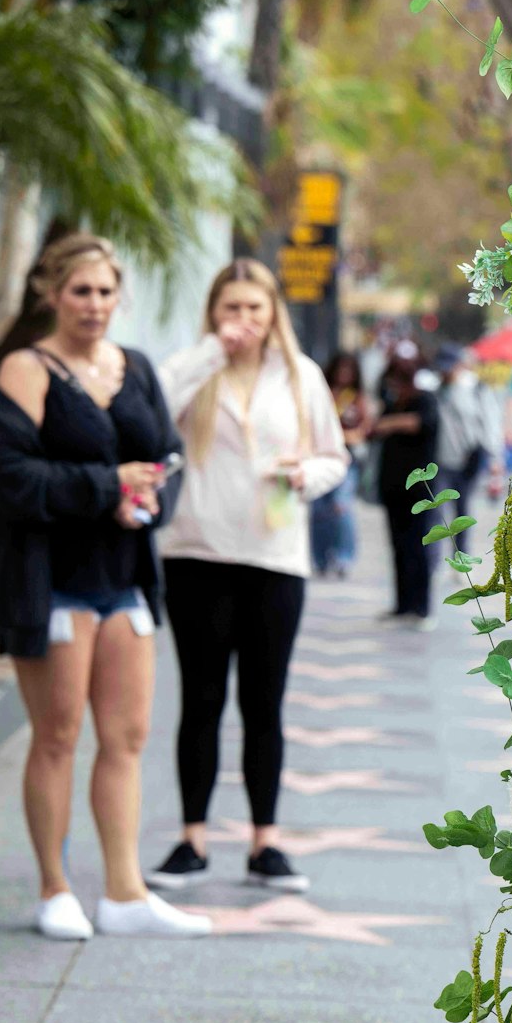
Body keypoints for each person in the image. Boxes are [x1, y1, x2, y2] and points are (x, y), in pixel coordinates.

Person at [0, 233, 211, 939]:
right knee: (58, 734)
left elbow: (166, 456)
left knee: (128, 735)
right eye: (80, 290)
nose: (94, 304)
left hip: (124, 580)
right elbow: (10, 480)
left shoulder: (135, 365)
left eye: (106, 291)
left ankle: (125, 891)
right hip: (51, 580)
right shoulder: (26, 367)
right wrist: (105, 485)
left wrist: (148, 495)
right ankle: (55, 888)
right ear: (51, 293)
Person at [145, 260, 349, 894]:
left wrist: (304, 476)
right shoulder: (193, 370)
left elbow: (334, 458)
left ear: (273, 314)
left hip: (274, 558)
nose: (244, 321)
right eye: (231, 308)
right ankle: (192, 840)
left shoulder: (300, 377)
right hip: (196, 553)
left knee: (264, 703)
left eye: (255, 309)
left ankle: (266, 843)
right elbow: (151, 415)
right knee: (201, 700)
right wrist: (209, 352)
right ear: (213, 313)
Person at [371, 351, 441, 626]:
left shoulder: (424, 400)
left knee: (418, 546)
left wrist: (388, 424)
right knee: (398, 546)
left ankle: (421, 608)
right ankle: (402, 605)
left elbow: (421, 424)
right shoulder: (392, 403)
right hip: (393, 487)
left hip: (419, 490)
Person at [436, 346, 504, 552]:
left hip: (468, 457)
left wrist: (495, 459)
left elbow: (491, 423)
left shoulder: (475, 388)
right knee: (436, 510)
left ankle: (460, 554)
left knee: (462, 508)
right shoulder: (432, 387)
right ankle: (435, 558)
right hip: (439, 459)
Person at [311, 352, 369, 577]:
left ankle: (344, 557)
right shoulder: (322, 394)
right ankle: (321, 558)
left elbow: (364, 429)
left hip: (347, 458)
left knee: (341, 506)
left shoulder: (356, 397)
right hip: (319, 457)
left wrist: (346, 436)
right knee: (318, 510)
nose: (344, 375)